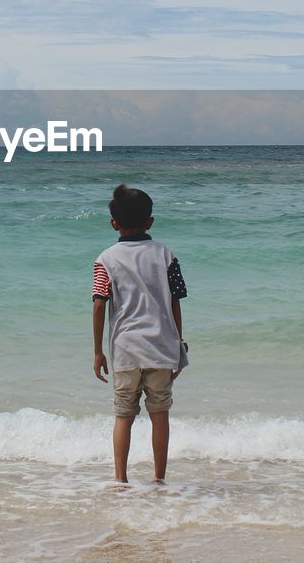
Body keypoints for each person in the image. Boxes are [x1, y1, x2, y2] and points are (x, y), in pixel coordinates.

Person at [91, 184, 189, 485]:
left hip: (125, 351)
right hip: (161, 348)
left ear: (113, 223)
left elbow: (98, 305)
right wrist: (178, 345)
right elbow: (175, 301)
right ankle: (159, 479)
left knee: (124, 416)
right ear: (150, 221)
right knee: (160, 415)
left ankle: (120, 480)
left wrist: (98, 351)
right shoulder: (165, 255)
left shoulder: (105, 259)